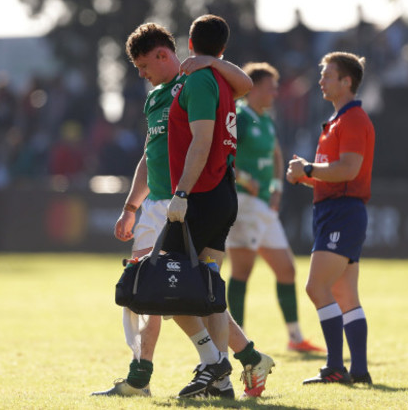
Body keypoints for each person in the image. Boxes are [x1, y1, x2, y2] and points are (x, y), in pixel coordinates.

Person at [92, 21, 274, 400]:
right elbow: (149, 153)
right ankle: (236, 365)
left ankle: (158, 374)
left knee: (165, 292)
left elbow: (241, 85)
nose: (141, 75)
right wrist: (131, 206)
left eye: (144, 66)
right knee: (179, 293)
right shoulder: (156, 96)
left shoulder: (197, 78)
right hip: (160, 203)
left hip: (186, 199)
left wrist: (208, 59)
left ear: (164, 54)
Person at [286, 51, 374, 385]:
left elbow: (349, 169)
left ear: (346, 81)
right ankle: (360, 369)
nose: (321, 80)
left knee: (316, 287)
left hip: (342, 211)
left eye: (328, 75)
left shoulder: (351, 119)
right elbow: (336, 172)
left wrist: (308, 169)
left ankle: (335, 366)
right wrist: (306, 174)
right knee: (345, 295)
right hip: (337, 210)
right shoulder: (338, 120)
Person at [226, 62, 324, 353]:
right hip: (243, 203)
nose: (275, 93)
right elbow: (220, 155)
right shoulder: (240, 117)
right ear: (252, 87)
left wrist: (278, 189)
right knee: (242, 270)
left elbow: (278, 155)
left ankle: (295, 338)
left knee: (286, 270)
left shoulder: (265, 118)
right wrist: (243, 178)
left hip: (264, 206)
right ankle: (236, 340)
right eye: (270, 87)